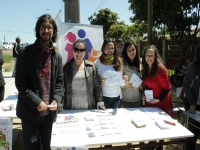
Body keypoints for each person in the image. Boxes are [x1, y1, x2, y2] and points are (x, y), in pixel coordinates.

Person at [15, 14, 64, 150]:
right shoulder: (26, 53)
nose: (46, 31)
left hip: (49, 116)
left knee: (49, 147)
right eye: (43, 27)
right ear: (38, 30)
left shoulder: (57, 57)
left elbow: (60, 83)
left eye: (49, 27)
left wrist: (57, 100)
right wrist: (36, 102)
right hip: (30, 114)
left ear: (53, 31)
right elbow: (20, 83)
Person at [141, 45, 174, 150]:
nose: (149, 57)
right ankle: (151, 145)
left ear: (155, 56)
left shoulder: (160, 69)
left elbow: (167, 87)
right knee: (151, 125)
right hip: (150, 101)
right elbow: (145, 84)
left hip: (161, 101)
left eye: (151, 55)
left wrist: (158, 99)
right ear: (144, 56)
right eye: (147, 55)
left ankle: (159, 146)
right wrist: (143, 92)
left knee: (160, 125)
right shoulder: (145, 68)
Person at [63, 39, 106, 110]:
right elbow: (62, 87)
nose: (79, 53)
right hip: (70, 107)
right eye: (76, 50)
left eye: (82, 50)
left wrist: (100, 103)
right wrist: (60, 104)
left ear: (85, 52)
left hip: (88, 107)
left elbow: (97, 86)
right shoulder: (65, 67)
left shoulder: (91, 67)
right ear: (72, 51)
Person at [95, 38, 128, 109]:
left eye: (112, 48)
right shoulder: (98, 62)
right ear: (103, 48)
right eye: (108, 48)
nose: (110, 50)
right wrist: (99, 82)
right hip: (103, 98)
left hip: (116, 98)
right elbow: (94, 81)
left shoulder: (118, 61)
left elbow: (121, 83)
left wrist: (124, 81)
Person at [183, 46, 200, 150]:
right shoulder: (192, 66)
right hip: (194, 105)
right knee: (193, 134)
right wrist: (192, 103)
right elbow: (186, 85)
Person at [121, 41, 143, 108]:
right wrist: (124, 84)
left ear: (136, 49)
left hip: (138, 99)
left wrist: (143, 85)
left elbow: (145, 78)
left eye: (133, 49)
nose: (131, 52)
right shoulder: (122, 63)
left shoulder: (141, 62)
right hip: (126, 99)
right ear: (126, 52)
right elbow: (117, 80)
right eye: (129, 50)